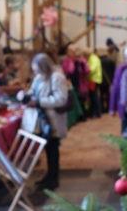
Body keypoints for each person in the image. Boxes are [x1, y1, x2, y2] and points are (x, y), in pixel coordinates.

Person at [25, 53, 68, 191]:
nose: (36, 73)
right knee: (47, 149)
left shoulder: (57, 77)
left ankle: (53, 179)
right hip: (42, 119)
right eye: (35, 70)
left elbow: (61, 99)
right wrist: (25, 96)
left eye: (38, 70)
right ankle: (49, 176)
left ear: (45, 67)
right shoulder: (38, 77)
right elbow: (33, 91)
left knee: (52, 149)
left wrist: (38, 101)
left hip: (52, 120)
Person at [61, 44, 89, 118]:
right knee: (72, 98)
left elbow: (86, 71)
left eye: (71, 51)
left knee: (81, 98)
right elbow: (65, 72)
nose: (69, 52)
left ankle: (82, 114)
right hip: (70, 82)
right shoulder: (66, 60)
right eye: (68, 51)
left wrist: (83, 65)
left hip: (80, 82)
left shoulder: (82, 60)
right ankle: (75, 116)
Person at [83, 48, 102, 118]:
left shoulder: (92, 59)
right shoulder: (93, 58)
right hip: (93, 79)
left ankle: (97, 112)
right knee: (93, 96)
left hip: (93, 79)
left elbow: (91, 70)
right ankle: (95, 112)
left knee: (94, 97)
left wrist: (84, 72)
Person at [96, 48, 115, 113]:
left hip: (100, 80)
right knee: (108, 94)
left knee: (101, 95)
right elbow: (113, 70)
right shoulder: (110, 60)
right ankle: (108, 108)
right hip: (108, 80)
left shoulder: (98, 60)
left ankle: (102, 108)